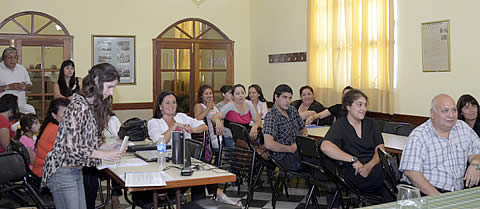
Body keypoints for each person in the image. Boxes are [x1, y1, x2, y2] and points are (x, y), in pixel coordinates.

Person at [41, 63, 125, 209]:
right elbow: (72, 148)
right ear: (97, 80)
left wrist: (107, 147)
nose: (111, 93)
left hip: (74, 169)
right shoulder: (79, 106)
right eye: (110, 87)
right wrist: (103, 155)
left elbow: (84, 143)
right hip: (62, 170)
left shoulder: (88, 105)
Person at [320, 89, 393, 203]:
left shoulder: (371, 123)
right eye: (359, 105)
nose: (363, 108)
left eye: (365, 105)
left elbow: (380, 149)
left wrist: (368, 166)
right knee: (388, 187)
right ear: (348, 106)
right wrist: (352, 159)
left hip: (373, 166)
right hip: (353, 170)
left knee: (388, 184)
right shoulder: (341, 124)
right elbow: (325, 146)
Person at [399, 94, 480, 195]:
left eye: (454, 110)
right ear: (432, 113)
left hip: (456, 193)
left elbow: (477, 150)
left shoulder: (463, 128)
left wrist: (476, 163)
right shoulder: (419, 136)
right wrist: (438, 198)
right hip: (425, 193)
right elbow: (411, 173)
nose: (451, 115)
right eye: (445, 111)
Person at [263, 84, 306, 171]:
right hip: (284, 156)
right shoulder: (271, 116)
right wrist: (290, 149)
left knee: (321, 155)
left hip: (298, 151)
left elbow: (303, 129)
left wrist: (303, 137)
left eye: (290, 98)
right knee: (316, 164)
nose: (288, 101)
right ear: (276, 97)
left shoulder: (292, 110)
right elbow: (269, 144)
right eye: (284, 97)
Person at [32, 98, 70, 177]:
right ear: (54, 115)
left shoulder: (51, 126)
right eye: (65, 113)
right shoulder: (55, 129)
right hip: (48, 175)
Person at [193, 85, 235, 149]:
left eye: (210, 93)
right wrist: (208, 108)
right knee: (229, 142)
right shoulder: (199, 106)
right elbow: (197, 119)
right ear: (201, 96)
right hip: (211, 137)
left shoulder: (214, 105)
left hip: (221, 133)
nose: (209, 95)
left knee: (232, 136)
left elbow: (221, 116)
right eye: (206, 94)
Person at [0, 47, 35, 114]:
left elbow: (30, 85)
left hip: (21, 106)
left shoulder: (21, 68)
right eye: (9, 57)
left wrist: (25, 87)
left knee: (31, 113)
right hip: (4, 109)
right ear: (4, 58)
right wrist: (9, 87)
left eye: (15, 57)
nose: (12, 60)